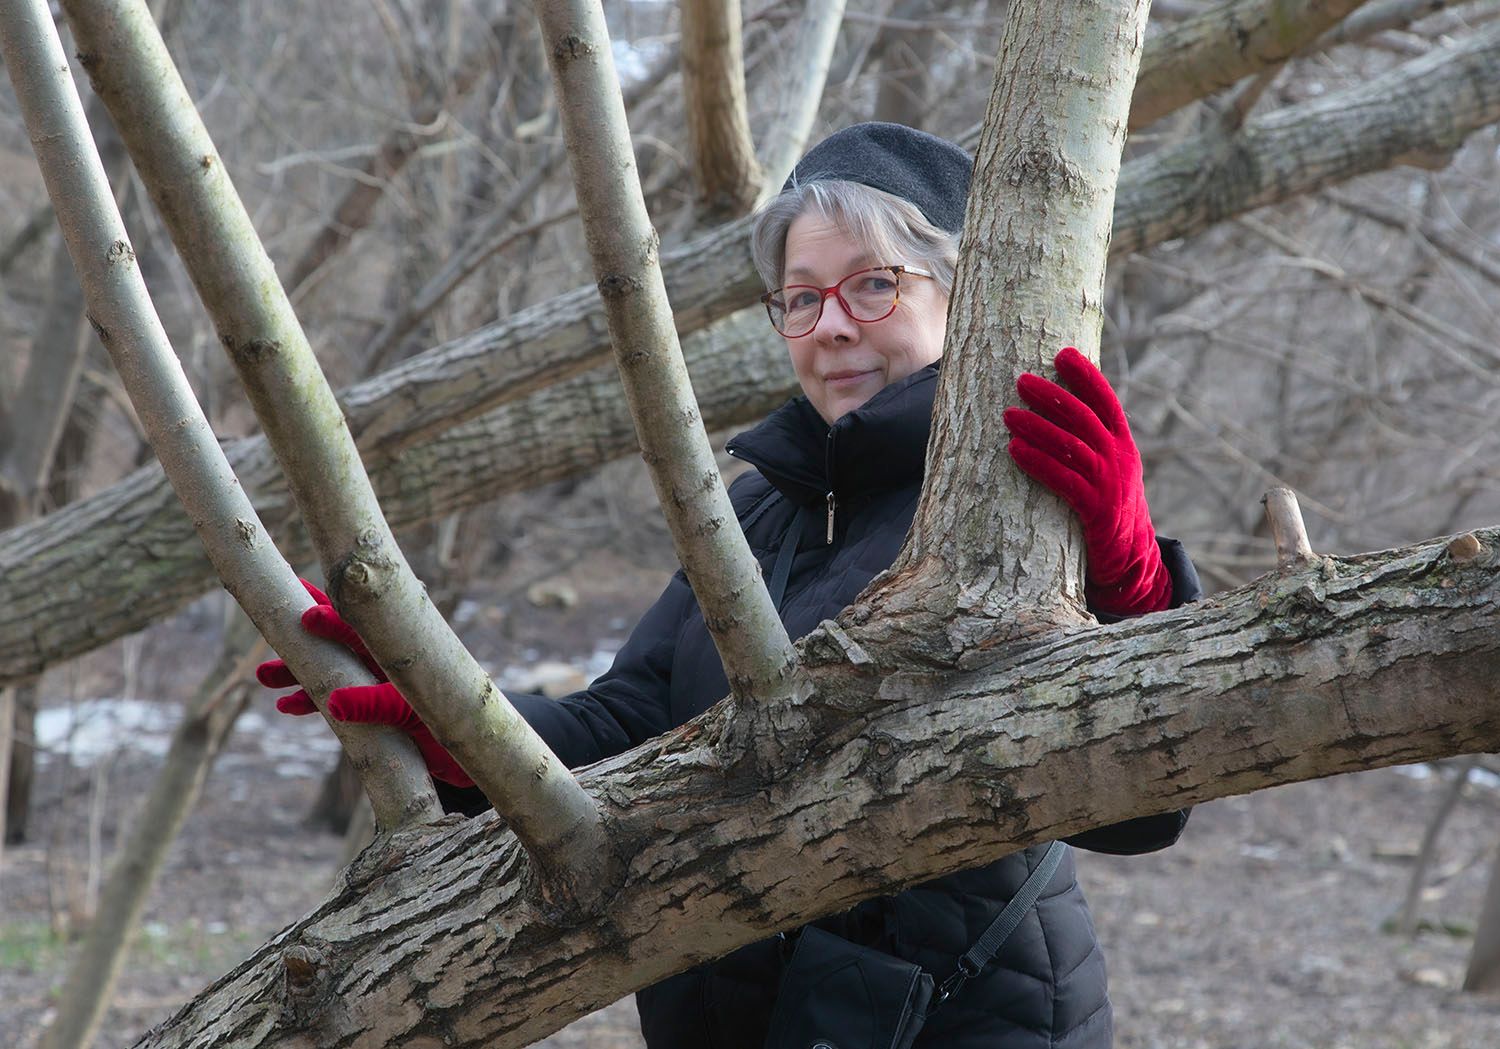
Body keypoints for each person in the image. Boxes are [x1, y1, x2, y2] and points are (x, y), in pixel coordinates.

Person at [258, 122, 1201, 1049]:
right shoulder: (755, 515)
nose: (830, 325)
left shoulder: (1007, 498)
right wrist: (448, 705)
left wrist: (1130, 575)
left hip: (968, 1019)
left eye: (873, 285)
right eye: (800, 297)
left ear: (967, 295)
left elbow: (1141, 806)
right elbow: (627, 725)